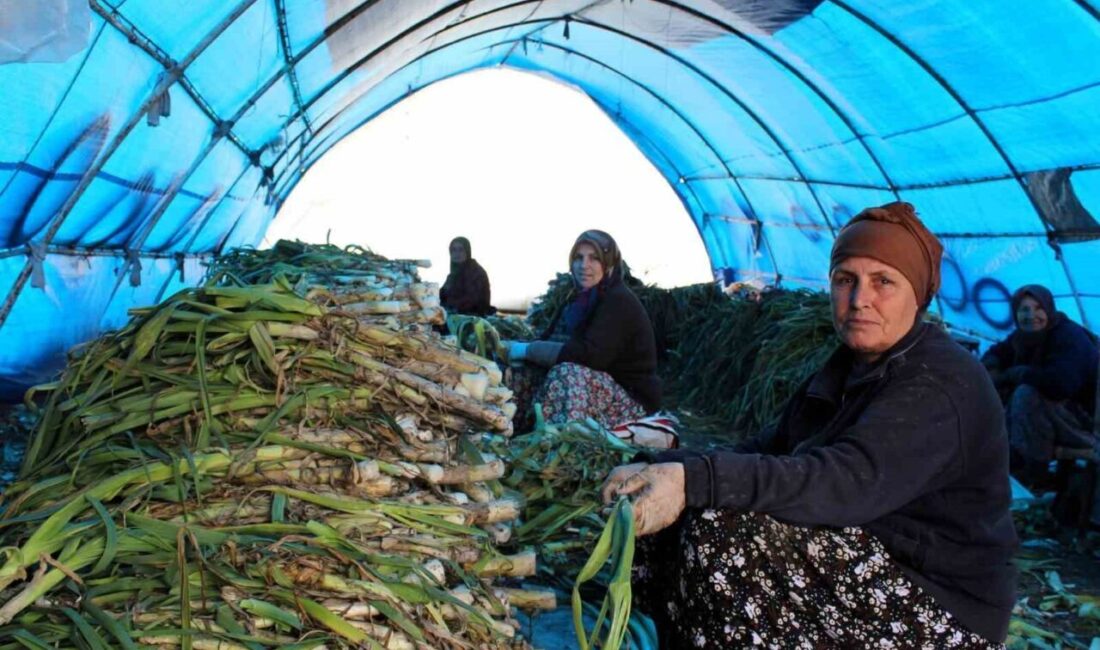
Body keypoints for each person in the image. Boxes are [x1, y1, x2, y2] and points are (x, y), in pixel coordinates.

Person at [602, 202, 1017, 648]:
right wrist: (662, 468)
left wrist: (694, 481)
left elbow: (843, 482)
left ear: (917, 295)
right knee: (674, 517)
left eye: (884, 282)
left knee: (726, 535)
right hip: (866, 555)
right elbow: (769, 448)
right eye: (845, 280)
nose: (860, 299)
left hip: (940, 604)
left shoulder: (940, 382)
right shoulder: (847, 367)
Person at [502, 229, 660, 432]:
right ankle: (512, 430)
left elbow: (590, 356)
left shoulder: (618, 301)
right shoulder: (576, 299)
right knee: (521, 372)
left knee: (567, 373)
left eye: (594, 258)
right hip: (595, 388)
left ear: (609, 263)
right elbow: (551, 338)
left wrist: (529, 350)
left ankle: (558, 442)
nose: (584, 265)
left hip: (630, 399)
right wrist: (520, 351)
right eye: (578, 258)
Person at [981, 284, 1099, 484]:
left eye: (1038, 308)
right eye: (1024, 310)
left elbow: (1061, 384)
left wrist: (1019, 373)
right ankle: (1000, 453)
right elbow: (998, 353)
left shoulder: (1068, 336)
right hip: (1056, 414)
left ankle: (1034, 469)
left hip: (1084, 421)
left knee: (1026, 395)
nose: (1031, 315)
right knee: (994, 389)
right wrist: (992, 368)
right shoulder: (1023, 338)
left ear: (1049, 309)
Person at [439, 236, 492, 316]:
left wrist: (448, 306)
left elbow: (473, 300)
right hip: (455, 316)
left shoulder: (476, 272)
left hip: (473, 319)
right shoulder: (453, 274)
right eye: (453, 250)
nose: (457, 254)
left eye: (461, 250)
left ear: (467, 251)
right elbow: (442, 294)